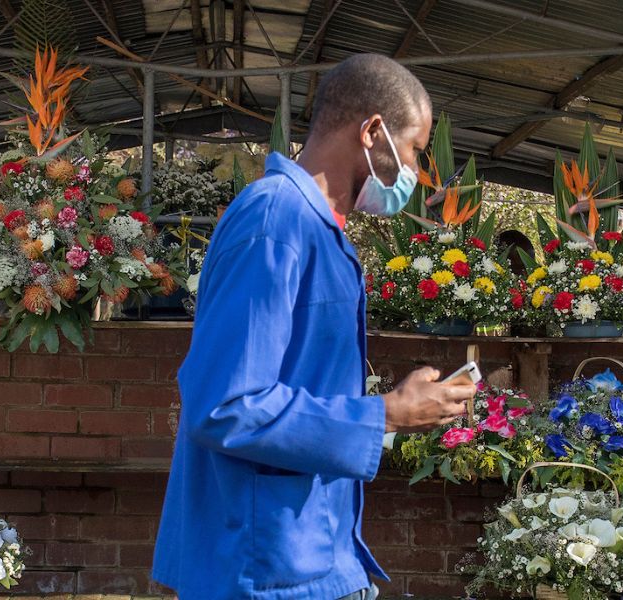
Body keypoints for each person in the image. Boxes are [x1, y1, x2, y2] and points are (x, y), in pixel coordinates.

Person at [153, 54, 474, 600]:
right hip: (262, 566)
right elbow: (225, 405)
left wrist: (391, 408)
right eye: (416, 151)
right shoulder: (276, 220)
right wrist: (385, 414)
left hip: (311, 551)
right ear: (372, 131)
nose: (416, 175)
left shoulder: (318, 227)